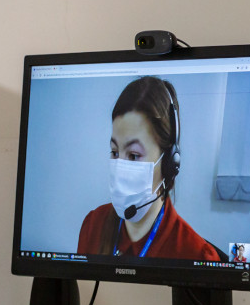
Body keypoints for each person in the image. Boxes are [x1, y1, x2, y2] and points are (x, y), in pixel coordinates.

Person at [77, 76, 222, 261]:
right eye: (114, 152)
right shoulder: (93, 226)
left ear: (169, 163)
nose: (120, 166)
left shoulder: (197, 255)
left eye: (133, 155)